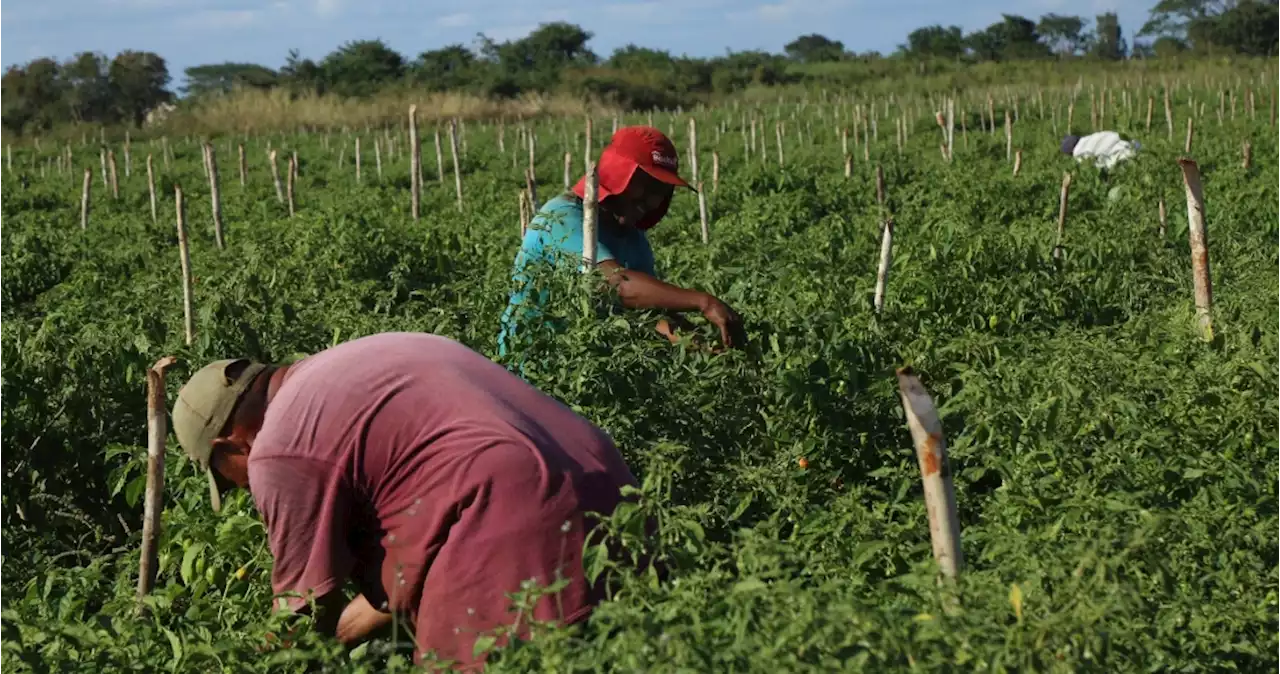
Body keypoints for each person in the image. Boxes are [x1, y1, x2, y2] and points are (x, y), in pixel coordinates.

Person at [170, 331, 639, 670]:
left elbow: (303, 612)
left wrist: (247, 664)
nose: (242, 490)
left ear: (229, 445)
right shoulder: (361, 360)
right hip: (616, 497)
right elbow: (420, 543)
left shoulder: (279, 447)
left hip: (516, 527)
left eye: (228, 480)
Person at [497, 125, 745, 359]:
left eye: (660, 191)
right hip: (531, 366)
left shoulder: (633, 237)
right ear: (618, 175)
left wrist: (700, 347)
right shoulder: (562, 218)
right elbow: (616, 285)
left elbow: (648, 314)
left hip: (587, 368)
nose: (650, 200)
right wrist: (704, 302)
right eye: (643, 185)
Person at [1061, 131, 1139, 170]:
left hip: (1122, 155)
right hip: (1124, 142)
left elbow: (1097, 165)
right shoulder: (1088, 139)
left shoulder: (1079, 154)